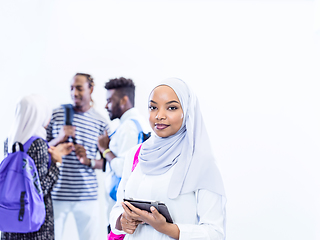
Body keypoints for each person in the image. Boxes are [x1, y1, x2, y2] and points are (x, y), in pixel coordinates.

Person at [109, 78, 226, 239]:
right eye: (153, 107)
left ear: (187, 111)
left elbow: (215, 233)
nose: (159, 115)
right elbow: (117, 207)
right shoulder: (136, 154)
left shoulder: (202, 162)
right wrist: (121, 221)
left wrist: (167, 228)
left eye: (171, 108)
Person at [46, 73, 110, 240]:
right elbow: (39, 151)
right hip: (57, 194)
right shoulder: (57, 114)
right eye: (71, 88)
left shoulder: (101, 122)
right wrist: (59, 138)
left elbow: (107, 162)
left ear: (91, 89)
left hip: (87, 195)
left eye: (79, 88)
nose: (74, 93)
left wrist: (88, 160)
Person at [1, 94, 73, 240]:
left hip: (11, 217)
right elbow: (40, 189)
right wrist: (57, 164)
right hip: (34, 221)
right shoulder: (38, 144)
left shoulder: (10, 141)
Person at [96, 77, 150, 233]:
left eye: (110, 100)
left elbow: (124, 168)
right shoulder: (139, 122)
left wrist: (105, 150)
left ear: (124, 100)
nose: (106, 105)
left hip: (122, 213)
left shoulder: (128, 127)